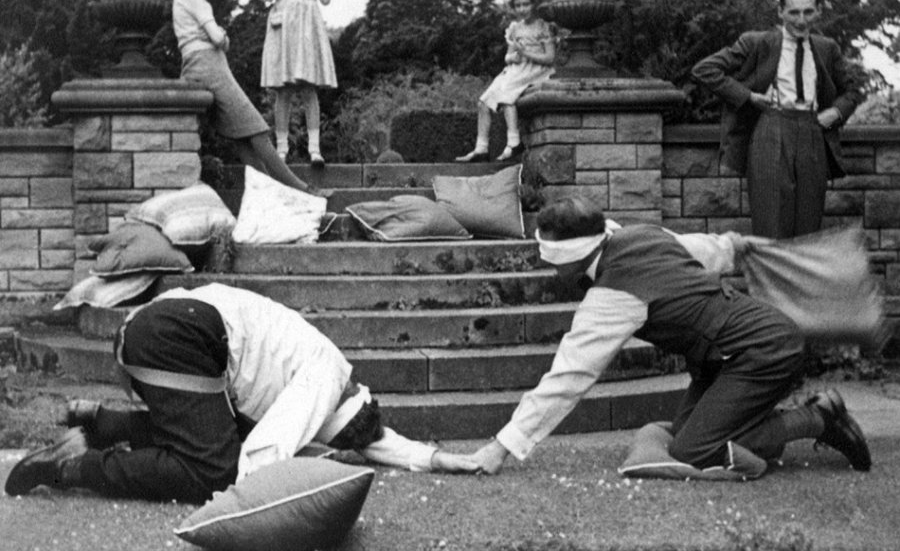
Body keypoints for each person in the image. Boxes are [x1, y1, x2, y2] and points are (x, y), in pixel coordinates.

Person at [463, 195, 872, 479]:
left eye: (550, 256)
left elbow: (568, 377)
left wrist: (500, 447)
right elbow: (710, 248)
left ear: (571, 258)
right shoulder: (643, 234)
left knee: (696, 452)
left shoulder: (613, 296)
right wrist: (733, 245)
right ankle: (762, 423)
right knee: (684, 433)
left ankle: (818, 418)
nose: (545, 264)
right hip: (726, 358)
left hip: (762, 351)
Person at [5, 283, 477, 503]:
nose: (329, 443)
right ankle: (75, 467)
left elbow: (375, 439)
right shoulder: (323, 382)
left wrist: (435, 458)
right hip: (177, 335)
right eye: (336, 440)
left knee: (214, 432)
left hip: (163, 324)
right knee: (211, 470)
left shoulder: (332, 375)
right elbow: (262, 459)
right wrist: (239, 507)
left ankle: (99, 426)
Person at [691, 0, 863, 239]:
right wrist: (748, 96)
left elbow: (852, 90)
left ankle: (800, 280)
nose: (802, 20)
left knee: (809, 227)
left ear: (817, 11)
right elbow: (705, 69)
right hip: (771, 129)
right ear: (780, 12)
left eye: (808, 11)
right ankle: (770, 280)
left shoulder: (827, 49)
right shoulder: (757, 43)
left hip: (812, 133)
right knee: (770, 225)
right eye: (794, 12)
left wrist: (835, 113)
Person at [172, 0, 321, 195]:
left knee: (242, 138)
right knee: (257, 129)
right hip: (208, 64)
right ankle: (301, 190)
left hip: (198, 64)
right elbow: (217, 38)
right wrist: (223, 37)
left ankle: (272, 196)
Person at [260, 0, 337, 167]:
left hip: (307, 32)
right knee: (283, 92)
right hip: (284, 33)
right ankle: (281, 149)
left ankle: (314, 149)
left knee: (308, 89)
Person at [456, 0, 556, 163]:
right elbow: (508, 57)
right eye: (518, 5)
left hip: (536, 70)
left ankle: (513, 142)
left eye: (526, 4)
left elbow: (550, 58)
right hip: (516, 69)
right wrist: (513, 58)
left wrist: (525, 53)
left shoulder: (543, 27)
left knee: (507, 95)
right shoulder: (515, 28)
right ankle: (481, 148)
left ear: (535, 4)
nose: (522, 9)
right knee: (484, 101)